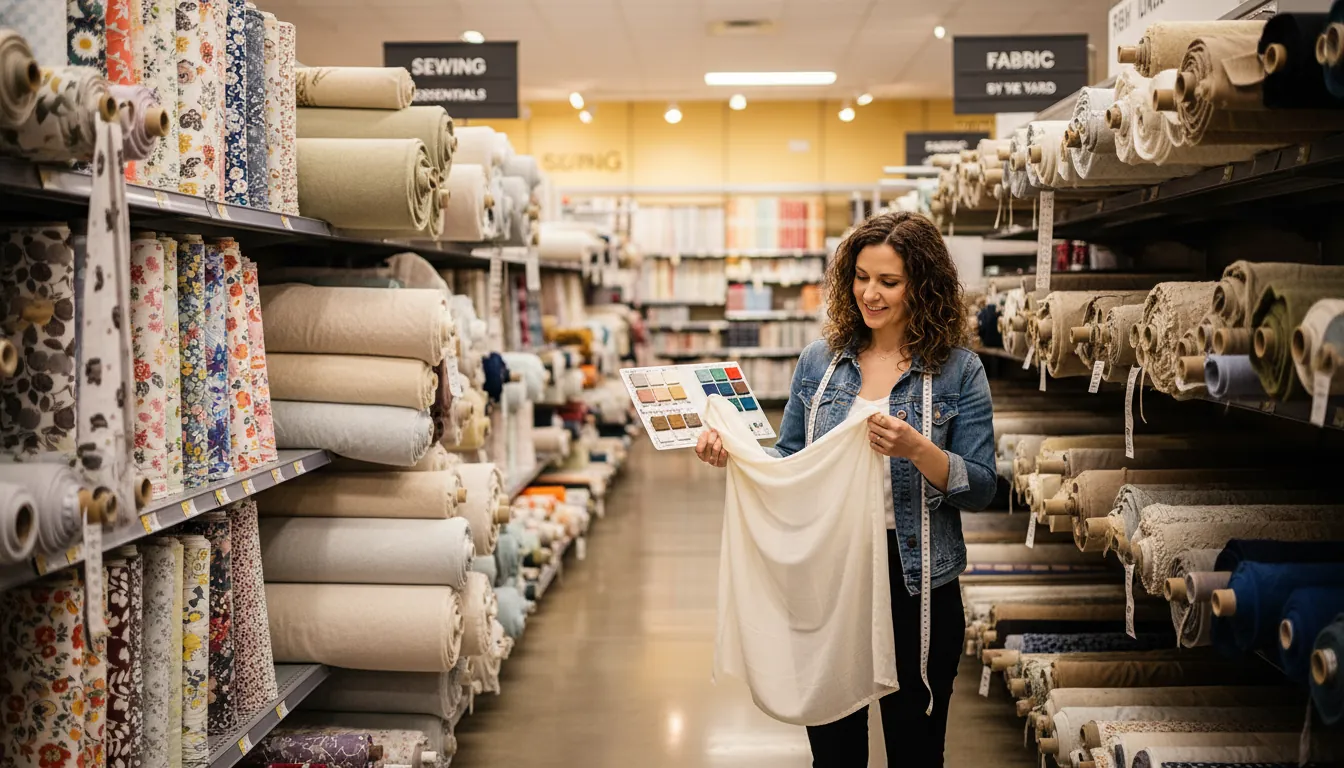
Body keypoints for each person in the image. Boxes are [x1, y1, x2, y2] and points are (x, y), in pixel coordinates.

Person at [694, 211, 997, 767]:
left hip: (916, 584)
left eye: (889, 281)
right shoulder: (820, 364)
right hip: (830, 579)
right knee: (833, 756)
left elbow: (981, 488)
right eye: (860, 276)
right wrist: (733, 454)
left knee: (916, 751)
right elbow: (790, 459)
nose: (870, 293)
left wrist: (917, 449)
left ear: (923, 286)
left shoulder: (958, 372)